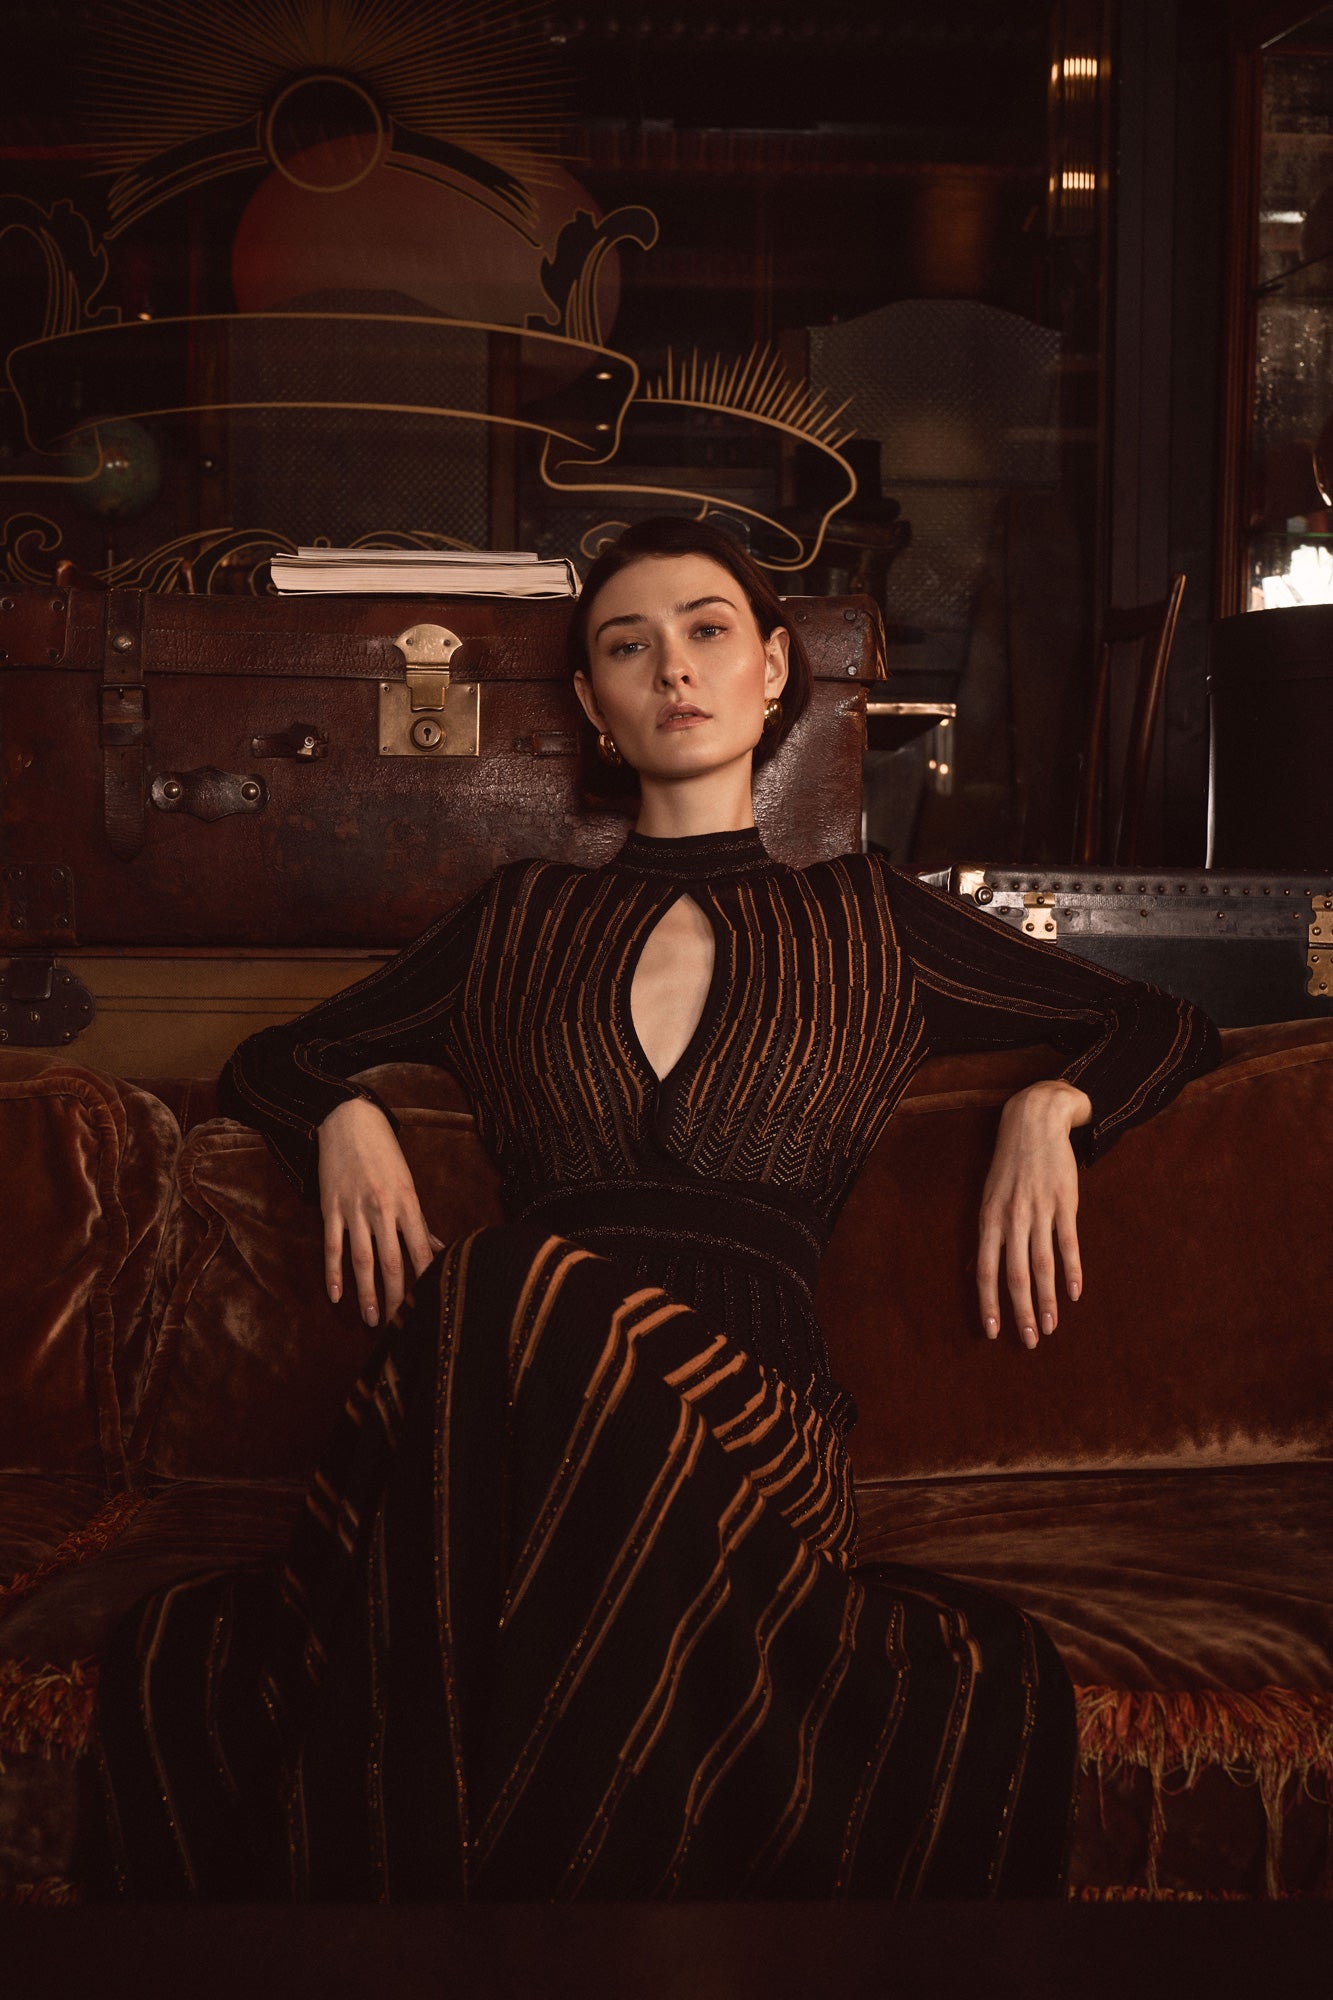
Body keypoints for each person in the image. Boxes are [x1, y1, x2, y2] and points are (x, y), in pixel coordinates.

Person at [95, 516, 1220, 1902]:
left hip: (748, 1428)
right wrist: (341, 1117)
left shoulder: (869, 919)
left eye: (706, 631)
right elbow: (274, 1061)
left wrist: (1054, 1109)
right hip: (503, 1419)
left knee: (500, 1280)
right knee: (502, 1299)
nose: (672, 667)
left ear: (771, 671)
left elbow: (1158, 1022)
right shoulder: (516, 922)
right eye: (628, 646)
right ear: (593, 705)